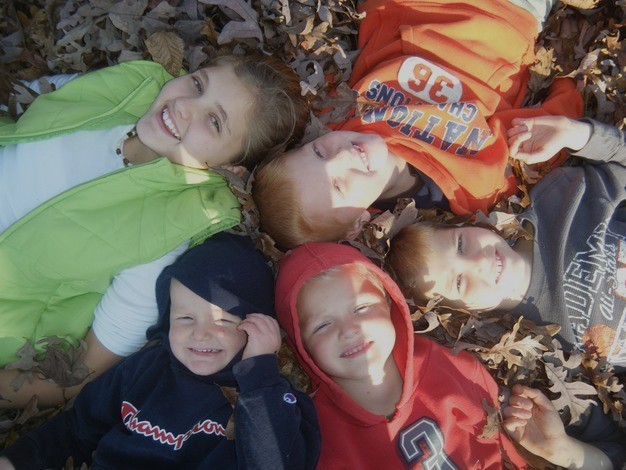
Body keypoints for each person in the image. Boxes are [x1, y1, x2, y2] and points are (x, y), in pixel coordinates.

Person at [0, 55, 309, 408]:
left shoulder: (165, 234)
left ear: (230, 168)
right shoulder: (131, 86)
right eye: (198, 84)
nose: (183, 106)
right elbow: (29, 98)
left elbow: (77, 377)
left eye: (214, 121)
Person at [252, 0, 582, 249]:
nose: (341, 156)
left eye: (319, 153)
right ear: (357, 222)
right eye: (337, 186)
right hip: (501, 16)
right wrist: (567, 89)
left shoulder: (337, 114)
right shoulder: (468, 187)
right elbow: (543, 137)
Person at [274, 242, 626, 469]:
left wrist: (557, 449)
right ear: (301, 346)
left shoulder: (453, 370)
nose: (348, 330)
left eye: (361, 308)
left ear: (391, 306)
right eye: (322, 325)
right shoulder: (315, 436)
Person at [0, 233, 320, 469]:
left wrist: (260, 375)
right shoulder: (143, 370)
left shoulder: (274, 398)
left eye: (223, 319)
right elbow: (77, 429)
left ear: (258, 323)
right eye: (184, 318)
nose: (200, 333)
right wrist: (16, 461)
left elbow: (276, 462)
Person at [388, 115, 626, 371]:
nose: (477, 262)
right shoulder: (541, 353)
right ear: (467, 313)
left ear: (466, 225)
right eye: (459, 281)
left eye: (460, 245)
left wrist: (578, 134)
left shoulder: (558, 202)